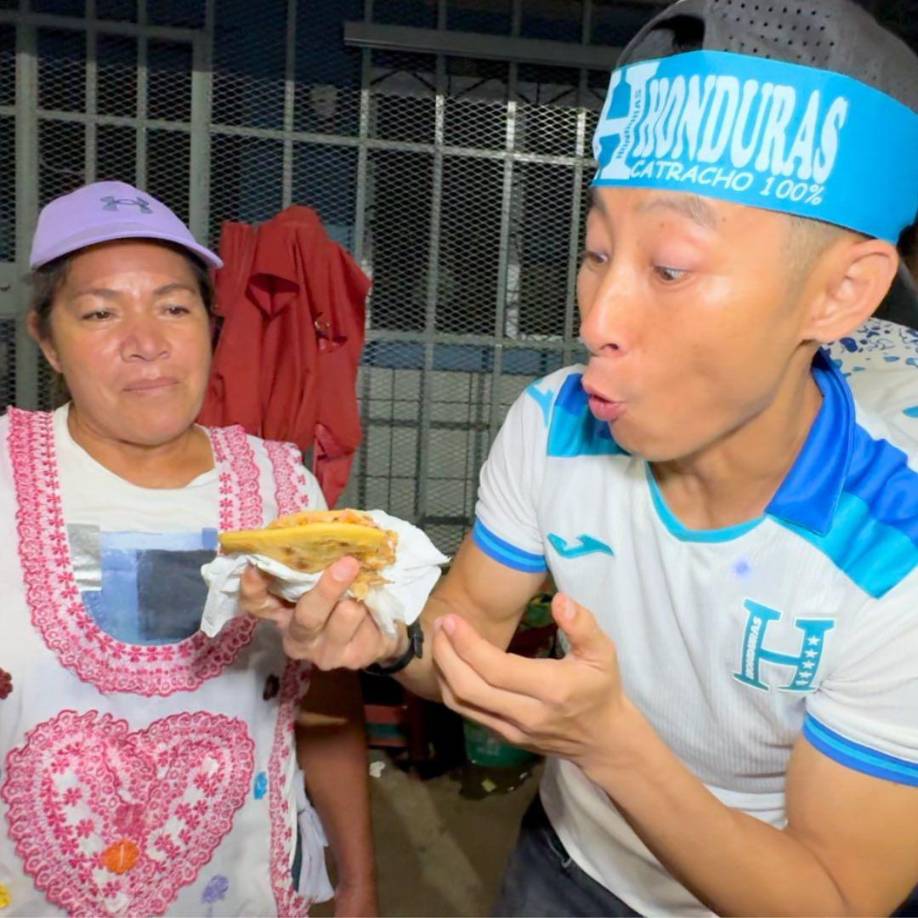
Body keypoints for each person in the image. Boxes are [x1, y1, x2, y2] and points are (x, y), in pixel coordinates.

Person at [242, 0, 918, 914]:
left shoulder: (894, 558)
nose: (597, 320)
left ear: (840, 293)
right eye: (598, 251)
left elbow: (835, 900)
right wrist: (388, 639)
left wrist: (608, 744)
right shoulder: (556, 422)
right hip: (564, 868)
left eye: (671, 267)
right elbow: (458, 644)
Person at [0, 181, 377, 917]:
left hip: (236, 893)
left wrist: (358, 882)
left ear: (211, 324)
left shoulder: (281, 489)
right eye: (101, 312)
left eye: (174, 306)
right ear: (46, 339)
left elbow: (328, 694)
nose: (146, 342)